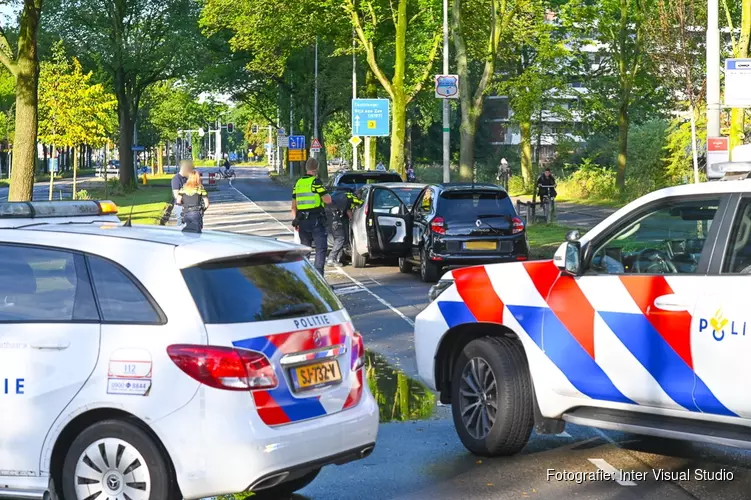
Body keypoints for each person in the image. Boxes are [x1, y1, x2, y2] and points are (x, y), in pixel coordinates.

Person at [292, 158, 333, 275]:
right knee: (321, 249)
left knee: (305, 251)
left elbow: (293, 207)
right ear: (317, 169)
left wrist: (296, 221)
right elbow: (328, 200)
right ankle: (319, 278)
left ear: (306, 168)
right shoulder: (315, 182)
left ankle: (305, 278)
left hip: (302, 222)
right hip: (316, 222)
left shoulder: (298, 183)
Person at [171, 160, 194, 228]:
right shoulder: (176, 179)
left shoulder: (188, 178)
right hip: (181, 206)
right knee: (182, 226)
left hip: (189, 206)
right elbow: (176, 195)